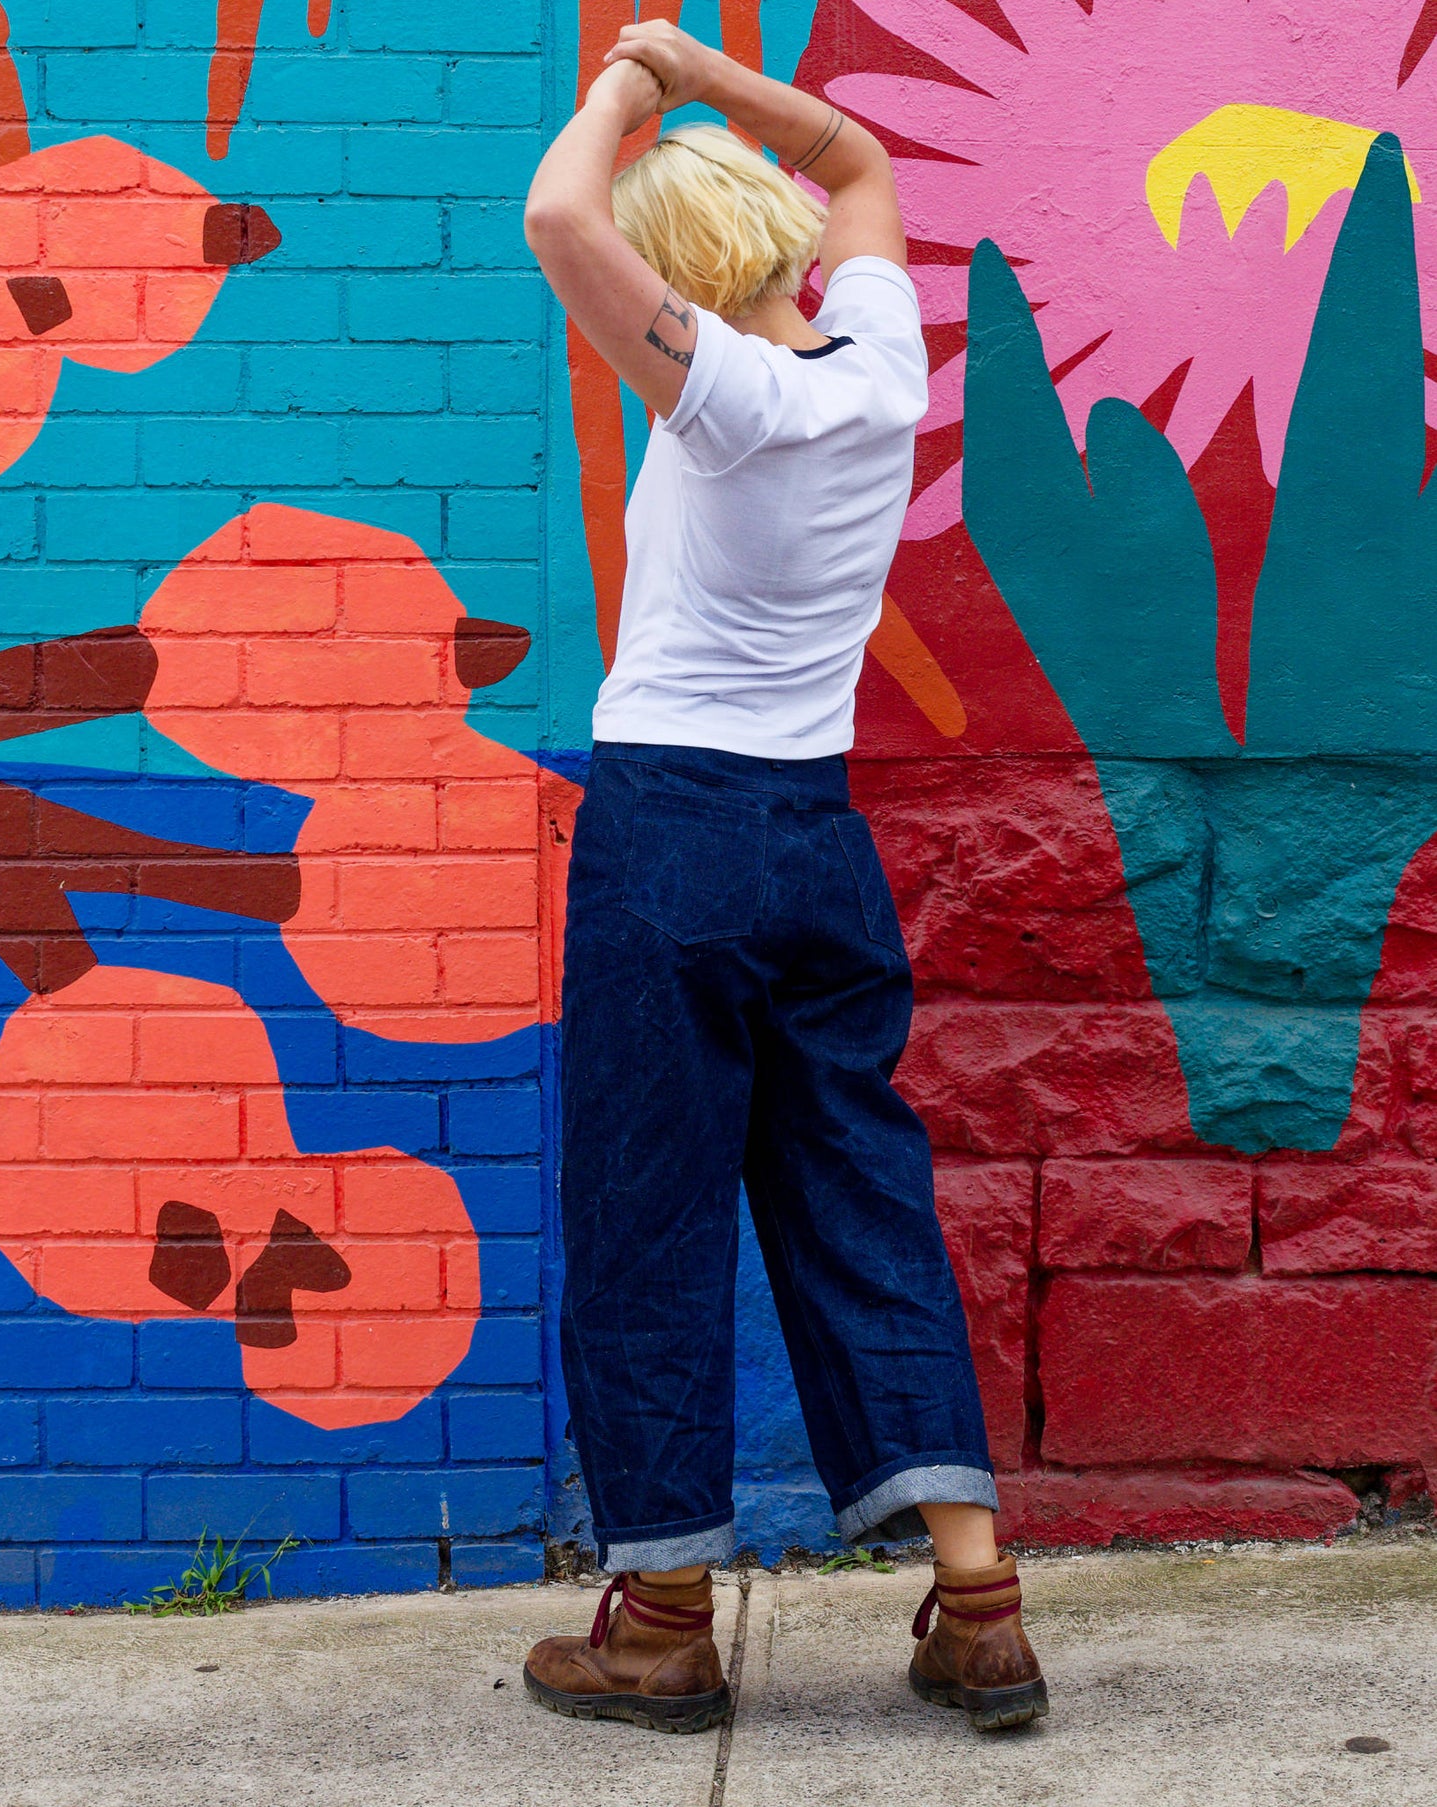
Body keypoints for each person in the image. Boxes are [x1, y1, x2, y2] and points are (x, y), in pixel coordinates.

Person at [521, 20, 1047, 1737]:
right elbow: (863, 168)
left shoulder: (716, 393)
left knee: (647, 1200)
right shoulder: (876, 370)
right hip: (817, 837)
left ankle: (663, 1618)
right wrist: (713, 83)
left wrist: (619, 88)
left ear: (666, 285)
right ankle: (977, 1609)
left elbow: (553, 220)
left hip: (672, 827)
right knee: (854, 1187)